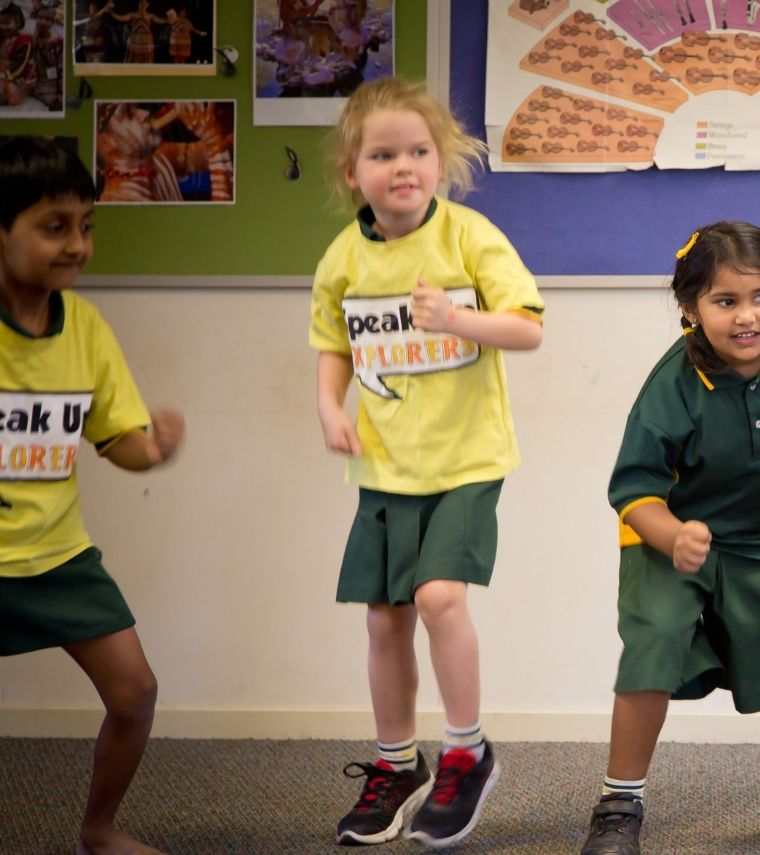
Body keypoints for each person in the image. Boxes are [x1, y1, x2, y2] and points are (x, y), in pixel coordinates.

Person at [579, 221, 760, 855]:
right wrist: (674, 535)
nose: (746, 317)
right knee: (652, 648)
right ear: (691, 308)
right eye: (724, 302)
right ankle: (620, 802)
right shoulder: (671, 388)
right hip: (671, 531)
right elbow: (632, 493)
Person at [309, 76, 544, 848]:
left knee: (441, 597)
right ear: (353, 172)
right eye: (383, 154)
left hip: (467, 458)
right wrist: (328, 407)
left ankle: (467, 751)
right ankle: (395, 761)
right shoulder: (343, 256)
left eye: (418, 151)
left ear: (440, 162)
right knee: (385, 618)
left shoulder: (468, 237)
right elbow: (333, 344)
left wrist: (459, 317)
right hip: (385, 467)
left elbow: (527, 328)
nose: (402, 166)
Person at [0, 136, 185, 855]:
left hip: (57, 556)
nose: (77, 244)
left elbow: (118, 440)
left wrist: (155, 449)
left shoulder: (86, 328)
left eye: (86, 225)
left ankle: (98, 830)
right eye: (54, 227)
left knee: (135, 692)